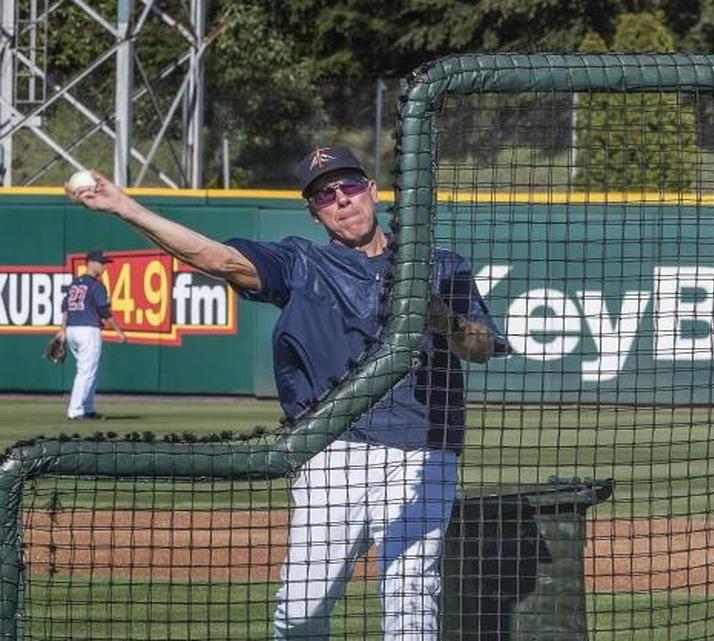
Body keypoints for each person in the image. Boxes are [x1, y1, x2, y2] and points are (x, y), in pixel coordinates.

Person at [68, 144, 507, 640]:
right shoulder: (302, 264)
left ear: (373, 191)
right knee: (301, 611)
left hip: (424, 451)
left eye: (349, 186)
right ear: (314, 213)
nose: (341, 200)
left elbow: (482, 346)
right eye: (324, 195)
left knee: (411, 595)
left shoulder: (438, 266)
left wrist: (443, 320)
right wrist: (127, 207)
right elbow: (219, 259)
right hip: (333, 452)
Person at [57, 249, 126, 420]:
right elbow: (104, 311)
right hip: (87, 330)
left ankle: (88, 408)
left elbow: (65, 308)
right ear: (91, 263)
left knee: (91, 370)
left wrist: (62, 330)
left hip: (73, 329)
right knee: (86, 371)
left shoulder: (75, 283)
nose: (104, 266)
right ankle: (75, 411)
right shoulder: (96, 285)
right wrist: (118, 332)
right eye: (102, 263)